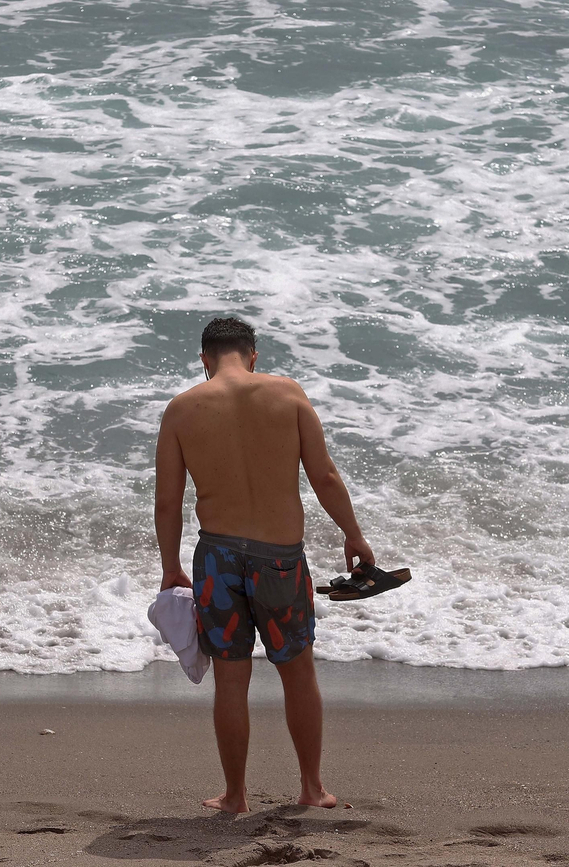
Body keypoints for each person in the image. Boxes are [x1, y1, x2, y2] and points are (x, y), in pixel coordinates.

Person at [154, 316, 372, 814]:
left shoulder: (182, 409)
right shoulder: (287, 394)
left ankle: (235, 797)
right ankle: (312, 789)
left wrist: (171, 568)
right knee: (298, 673)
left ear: (204, 360)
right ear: (254, 356)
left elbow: (168, 502)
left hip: (217, 559)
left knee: (230, 679)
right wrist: (353, 535)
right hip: (280, 561)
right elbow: (325, 475)